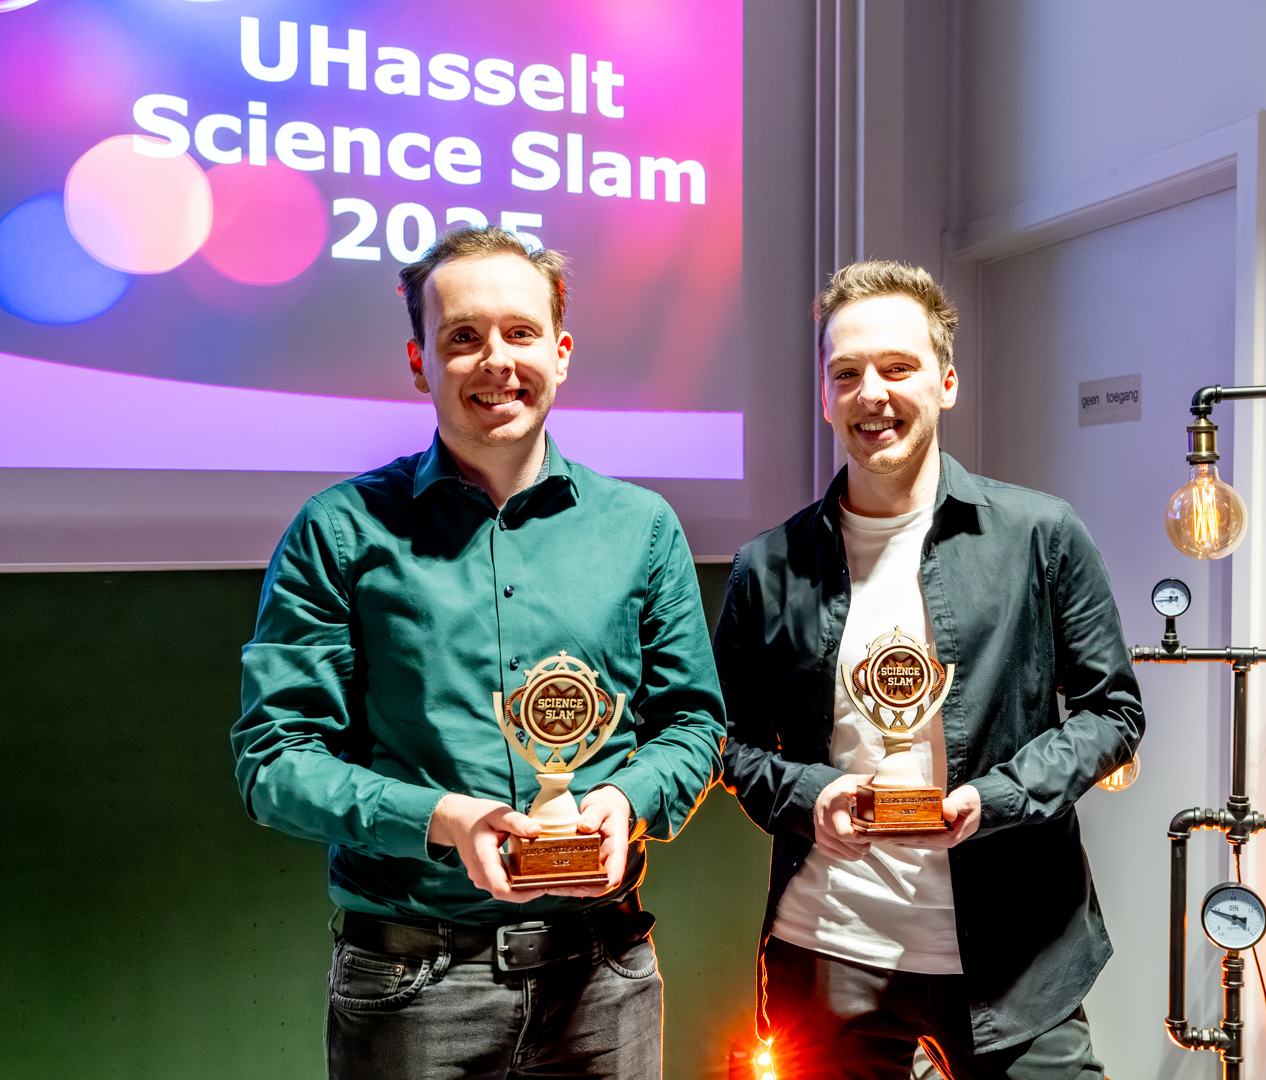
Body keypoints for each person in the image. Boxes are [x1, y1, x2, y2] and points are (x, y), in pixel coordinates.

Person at [233, 226, 725, 1080]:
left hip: (604, 975)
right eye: (463, 336)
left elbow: (694, 725)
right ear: (420, 363)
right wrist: (443, 821)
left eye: (520, 331)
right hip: (413, 983)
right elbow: (274, 763)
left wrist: (626, 801)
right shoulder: (339, 532)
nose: (496, 360)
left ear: (560, 353)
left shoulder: (642, 529)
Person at [714, 261, 1144, 1080]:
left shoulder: (1042, 535)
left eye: (897, 367)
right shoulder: (767, 566)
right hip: (829, 952)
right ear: (825, 394)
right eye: (847, 373)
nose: (871, 393)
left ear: (946, 383)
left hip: (1018, 956)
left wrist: (997, 798)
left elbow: (1112, 713)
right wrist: (809, 795)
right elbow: (723, 741)